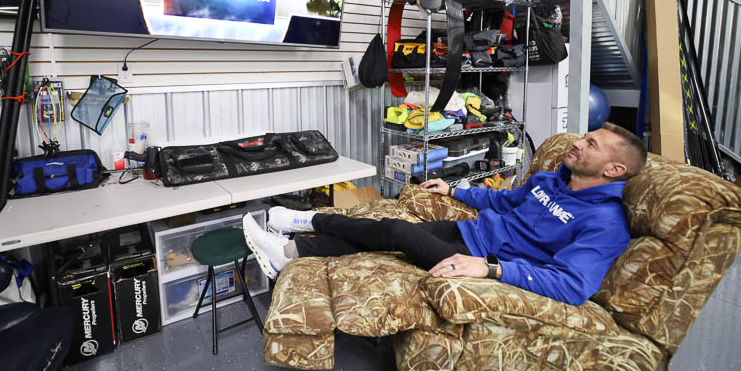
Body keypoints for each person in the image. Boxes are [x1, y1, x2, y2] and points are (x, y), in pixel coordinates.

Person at [243, 123, 647, 306]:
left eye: (590, 145)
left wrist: (491, 270)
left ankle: (306, 222)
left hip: (483, 261)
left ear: (614, 170)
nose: (577, 144)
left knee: (395, 231)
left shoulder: (606, 224)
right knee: (383, 233)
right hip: (470, 231)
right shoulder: (550, 179)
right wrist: (455, 190)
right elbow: (505, 202)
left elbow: (574, 286)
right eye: (583, 137)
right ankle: (290, 253)